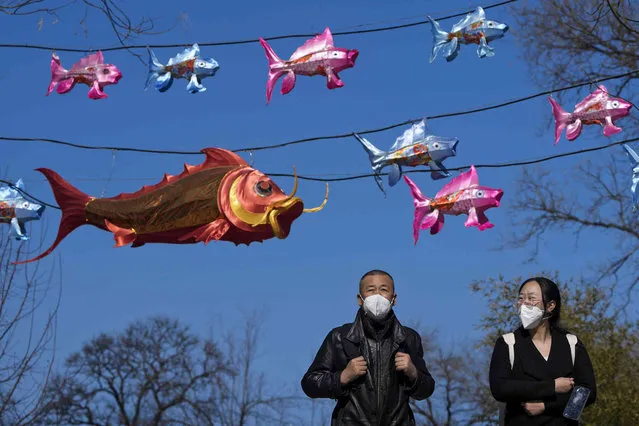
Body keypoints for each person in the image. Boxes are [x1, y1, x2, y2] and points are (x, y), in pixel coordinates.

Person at [300, 269, 435, 426]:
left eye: (384, 289)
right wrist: (342, 377)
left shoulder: (409, 338)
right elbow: (309, 384)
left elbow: (427, 389)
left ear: (394, 298)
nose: (377, 296)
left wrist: (413, 372)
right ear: (360, 298)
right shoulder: (340, 337)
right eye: (370, 290)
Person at [489, 276, 597, 425]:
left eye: (531, 298)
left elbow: (588, 394)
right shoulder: (508, 344)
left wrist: (546, 407)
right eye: (521, 298)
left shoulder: (571, 343)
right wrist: (552, 386)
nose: (524, 303)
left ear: (550, 305)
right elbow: (500, 389)